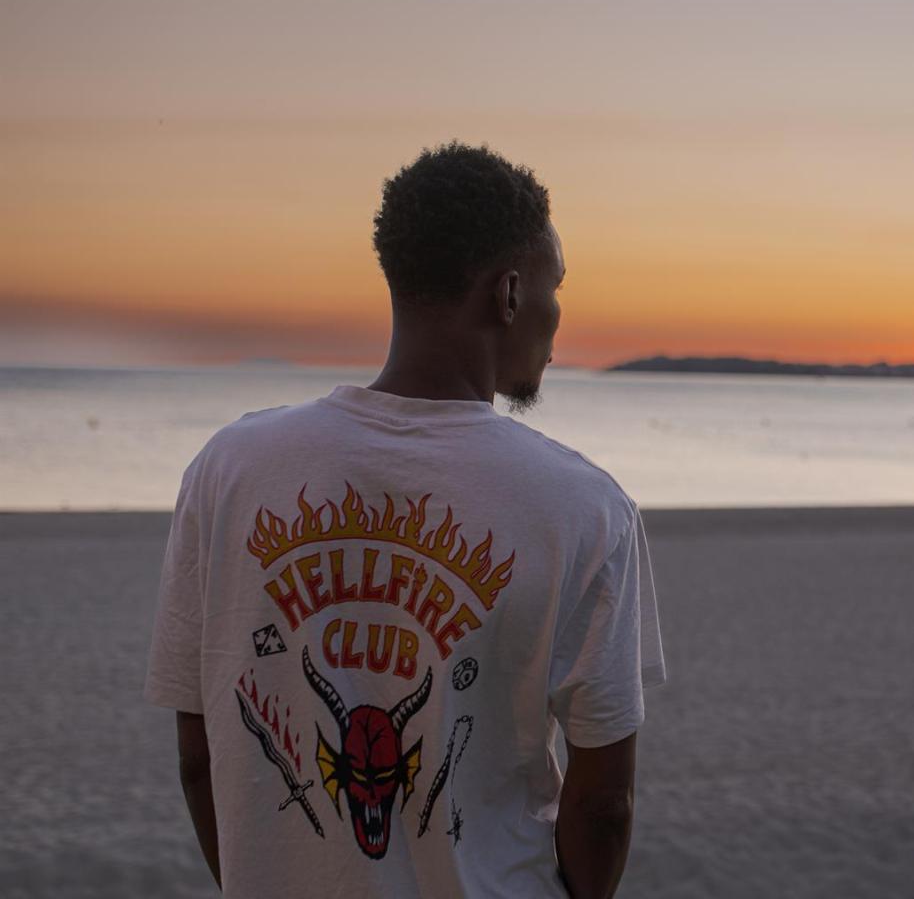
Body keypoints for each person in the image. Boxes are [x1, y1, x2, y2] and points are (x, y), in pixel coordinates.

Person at [143, 141, 666, 898]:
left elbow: (200, 753)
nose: (558, 321)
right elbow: (603, 803)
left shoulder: (229, 470)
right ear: (509, 294)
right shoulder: (584, 508)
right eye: (557, 287)